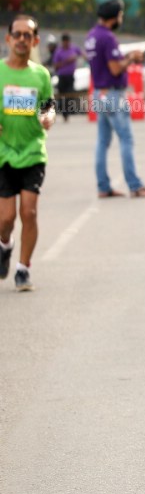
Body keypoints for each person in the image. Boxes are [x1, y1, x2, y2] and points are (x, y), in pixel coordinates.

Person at [0, 15, 56, 292]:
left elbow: (49, 106)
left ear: (35, 41)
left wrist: (48, 117)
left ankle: (23, 269)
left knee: (29, 212)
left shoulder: (40, 75)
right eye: (17, 34)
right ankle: (5, 244)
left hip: (34, 152)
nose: (22, 39)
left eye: (28, 35)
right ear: (8, 39)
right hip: (3, 154)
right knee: (6, 219)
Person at [85, 0, 145, 199]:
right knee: (126, 138)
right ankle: (135, 185)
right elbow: (115, 68)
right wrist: (132, 58)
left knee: (102, 141)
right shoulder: (108, 37)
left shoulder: (92, 36)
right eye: (121, 15)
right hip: (112, 94)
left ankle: (103, 186)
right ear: (114, 17)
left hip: (99, 93)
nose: (122, 18)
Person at [49, 33, 82, 122]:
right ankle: (64, 113)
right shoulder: (59, 52)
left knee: (70, 94)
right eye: (65, 42)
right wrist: (67, 61)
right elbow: (55, 66)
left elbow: (82, 54)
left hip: (70, 76)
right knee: (62, 95)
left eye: (67, 42)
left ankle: (68, 111)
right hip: (62, 77)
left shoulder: (74, 48)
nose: (66, 44)